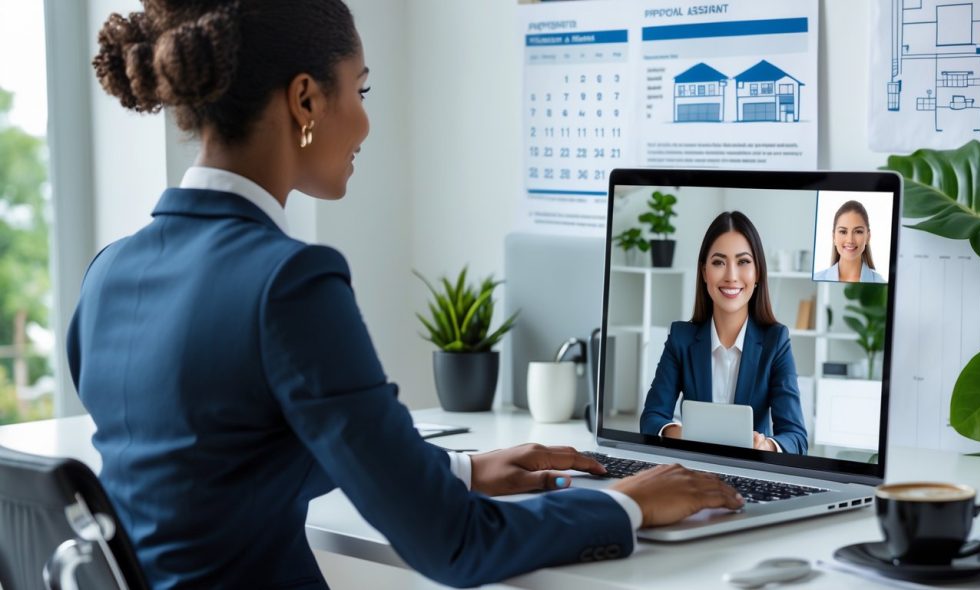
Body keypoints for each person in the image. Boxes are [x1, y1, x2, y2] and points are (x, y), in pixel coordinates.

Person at [67, 2, 744, 588]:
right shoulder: (287, 282)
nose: (364, 123)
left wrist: (459, 469)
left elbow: (225, 467)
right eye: (360, 90)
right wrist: (625, 503)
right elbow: (455, 546)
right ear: (305, 99)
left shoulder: (109, 274)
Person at [639, 212, 808, 455]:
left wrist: (766, 445)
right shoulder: (681, 338)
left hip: (751, 473)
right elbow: (652, 417)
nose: (731, 276)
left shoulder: (775, 342)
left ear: (757, 272)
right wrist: (682, 434)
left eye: (743, 262)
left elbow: (796, 438)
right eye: (719, 262)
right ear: (705, 272)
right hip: (693, 470)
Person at [813, 200, 885, 283]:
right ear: (834, 237)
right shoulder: (817, 279)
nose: (850, 240)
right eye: (843, 232)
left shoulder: (881, 283)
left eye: (858, 231)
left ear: (868, 237)